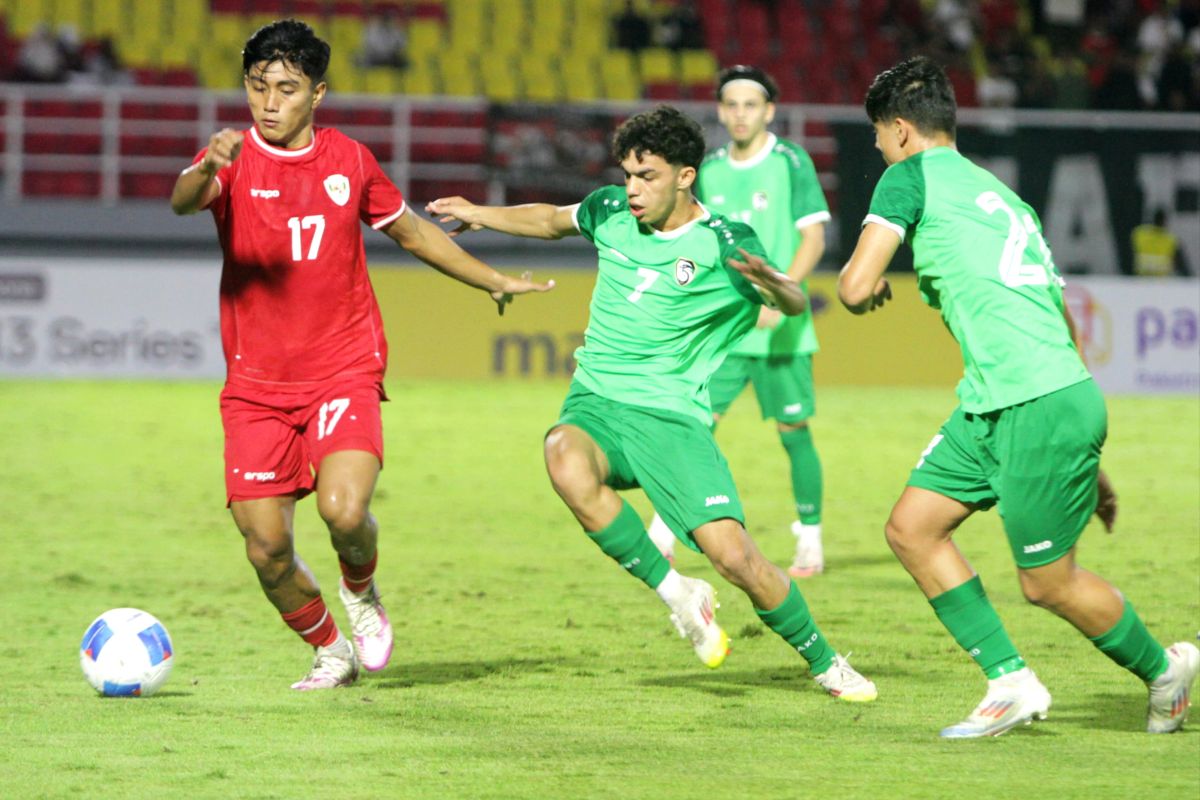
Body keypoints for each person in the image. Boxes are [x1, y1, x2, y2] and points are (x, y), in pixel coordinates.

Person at [427, 106, 877, 702]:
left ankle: (824, 661)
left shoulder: (724, 242)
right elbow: (550, 219)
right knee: (562, 454)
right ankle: (677, 594)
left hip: (671, 419)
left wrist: (782, 287)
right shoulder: (610, 209)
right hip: (598, 402)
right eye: (629, 175)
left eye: (648, 176)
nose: (633, 190)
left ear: (686, 176)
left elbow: (791, 302)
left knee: (735, 558)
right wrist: (478, 213)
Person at [169, 20, 552, 691]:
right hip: (256, 385)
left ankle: (361, 590)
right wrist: (207, 165)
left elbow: (413, 234)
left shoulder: (349, 160)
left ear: (318, 93)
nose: (269, 102)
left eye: (286, 89)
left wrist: (491, 278)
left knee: (345, 511)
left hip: (343, 366)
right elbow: (181, 202)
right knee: (266, 548)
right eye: (258, 87)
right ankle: (329, 650)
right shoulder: (230, 161)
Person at [839, 55, 1198, 737]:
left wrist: (869, 289)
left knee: (1047, 583)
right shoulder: (1004, 197)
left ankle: (1165, 670)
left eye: (880, 137)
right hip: (1011, 398)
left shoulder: (906, 177)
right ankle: (1010, 680)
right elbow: (1059, 318)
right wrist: (1084, 453)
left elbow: (854, 286)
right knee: (911, 528)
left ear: (902, 132)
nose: (880, 150)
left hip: (1029, 403)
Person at [645, 66, 832, 579]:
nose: (741, 113)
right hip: (723, 330)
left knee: (794, 430)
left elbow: (813, 238)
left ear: (768, 111)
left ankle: (810, 541)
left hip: (781, 327)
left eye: (751, 104)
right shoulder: (707, 168)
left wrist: (777, 292)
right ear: (722, 111)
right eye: (732, 105)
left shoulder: (791, 162)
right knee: (694, 426)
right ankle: (664, 527)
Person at [1131, 208, 1183, 276]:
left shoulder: (1139, 234)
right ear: (1164, 221)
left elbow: (1129, 254)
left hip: (1141, 277)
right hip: (1161, 279)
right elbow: (1180, 263)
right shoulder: (1170, 239)